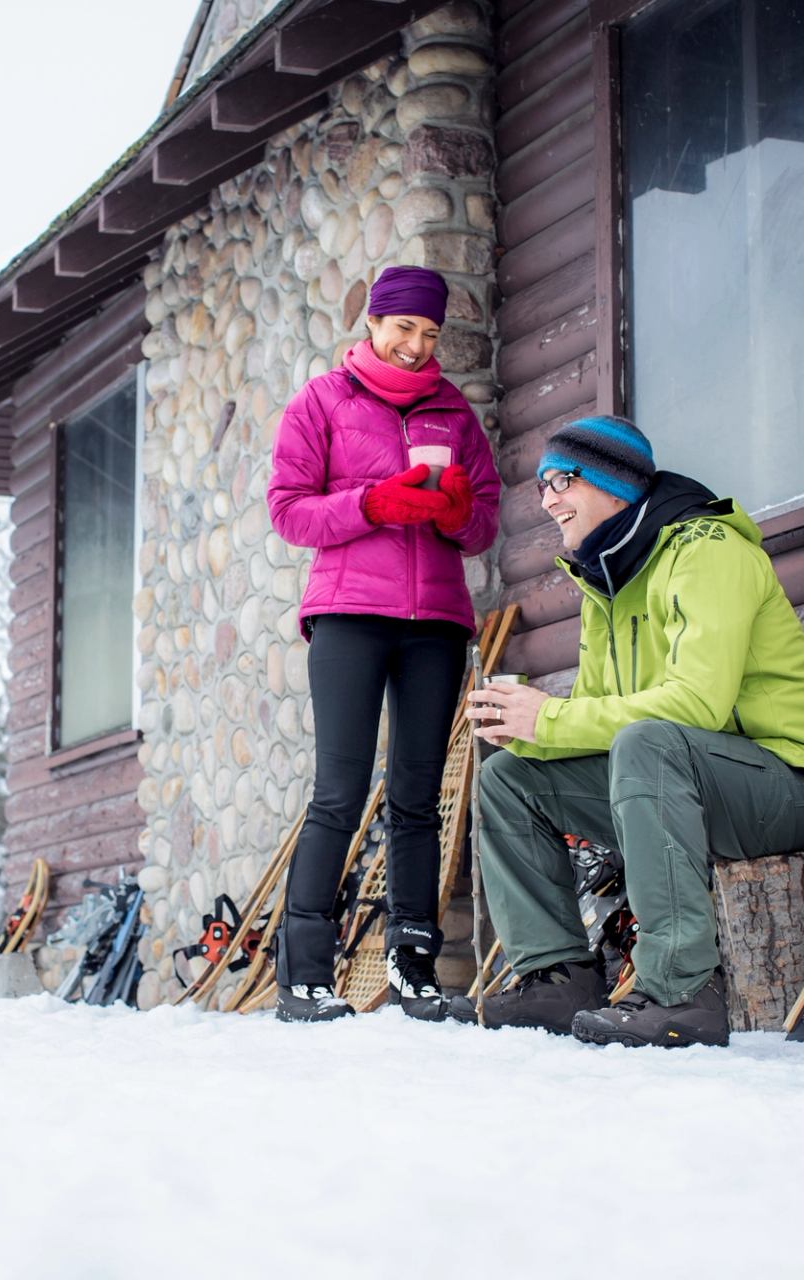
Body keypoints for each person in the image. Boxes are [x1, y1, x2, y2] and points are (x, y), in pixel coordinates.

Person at [457, 416, 804, 1046]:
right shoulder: (606, 585)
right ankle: (556, 979)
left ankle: (680, 992)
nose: (548, 500)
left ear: (614, 484)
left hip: (786, 783)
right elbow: (593, 722)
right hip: (679, 784)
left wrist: (550, 716)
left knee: (648, 742)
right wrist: (526, 732)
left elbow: (698, 704)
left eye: (563, 480)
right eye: (541, 487)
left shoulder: (708, 550)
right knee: (511, 779)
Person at [266, 265, 501, 1023]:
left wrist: (457, 512)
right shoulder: (322, 402)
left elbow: (485, 522)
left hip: (435, 622)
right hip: (348, 616)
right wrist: (372, 502)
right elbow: (290, 511)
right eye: (403, 328)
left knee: (417, 800)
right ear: (372, 322)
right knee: (338, 792)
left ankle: (412, 967)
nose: (414, 345)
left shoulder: (453, 412)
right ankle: (303, 973)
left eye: (430, 334)